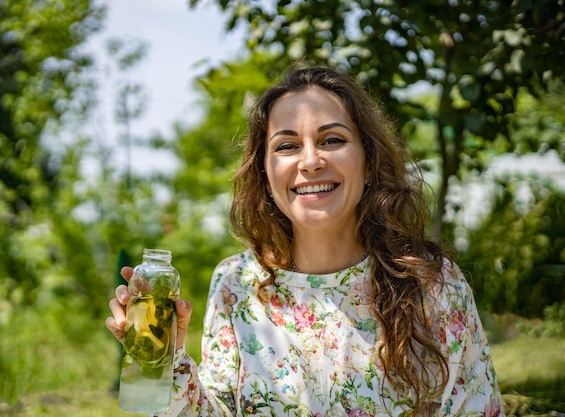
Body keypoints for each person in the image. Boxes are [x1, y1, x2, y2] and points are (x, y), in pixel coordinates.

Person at [106, 65, 505, 416]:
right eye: (287, 146)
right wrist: (169, 361)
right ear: (265, 173)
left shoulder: (433, 285)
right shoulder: (235, 283)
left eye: (332, 140)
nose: (311, 161)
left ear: (368, 163)